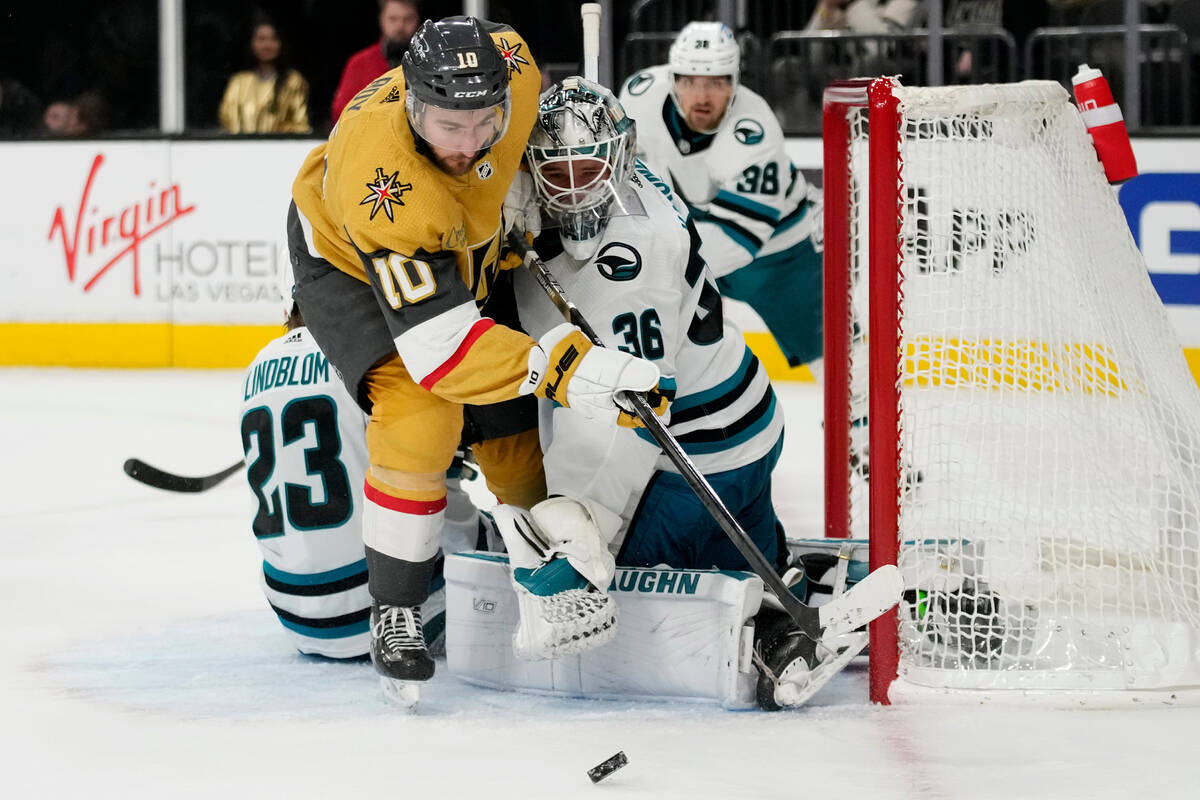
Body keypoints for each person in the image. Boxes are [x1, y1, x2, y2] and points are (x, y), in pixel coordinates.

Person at [286, 16, 665, 707]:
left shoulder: (512, 69)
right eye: (446, 126)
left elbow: (510, 76)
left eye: (482, 124)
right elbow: (444, 353)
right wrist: (575, 370)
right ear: (412, 103)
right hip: (348, 261)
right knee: (420, 412)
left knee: (512, 428)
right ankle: (393, 608)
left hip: (458, 239)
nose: (466, 145)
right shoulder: (385, 192)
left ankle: (538, 571)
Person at [618, 22, 824, 371]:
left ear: (735, 83)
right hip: (692, 236)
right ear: (672, 79)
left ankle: (855, 425)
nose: (702, 96)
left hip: (781, 254)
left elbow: (735, 241)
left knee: (834, 363)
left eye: (716, 83)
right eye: (689, 82)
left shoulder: (756, 131)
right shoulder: (640, 95)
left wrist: (655, 266)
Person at [330, 0, 421, 123]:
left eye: (408, 19)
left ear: (419, 20)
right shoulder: (359, 63)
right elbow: (340, 113)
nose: (400, 26)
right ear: (381, 20)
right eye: (393, 19)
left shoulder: (429, 63)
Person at [219, 18, 311, 134]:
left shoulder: (293, 81)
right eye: (261, 39)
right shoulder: (238, 82)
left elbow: (301, 126)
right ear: (251, 44)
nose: (267, 45)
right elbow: (227, 120)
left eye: (273, 39)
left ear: (281, 43)